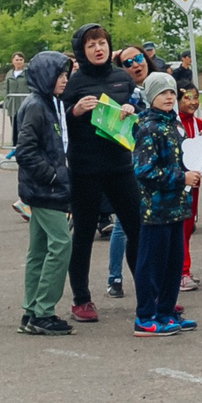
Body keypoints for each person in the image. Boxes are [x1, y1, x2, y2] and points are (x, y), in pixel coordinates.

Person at [56, 22, 142, 324]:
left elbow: (138, 109)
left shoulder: (121, 77)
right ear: (82, 49)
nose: (98, 48)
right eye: (91, 44)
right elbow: (59, 124)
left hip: (120, 165)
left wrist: (133, 110)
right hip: (85, 169)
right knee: (84, 234)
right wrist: (75, 111)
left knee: (138, 228)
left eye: (102, 42)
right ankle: (81, 299)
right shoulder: (74, 82)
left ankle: (149, 293)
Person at [12, 51, 76, 333]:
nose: (64, 80)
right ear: (45, 76)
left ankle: (32, 311)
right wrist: (52, 176)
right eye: (60, 75)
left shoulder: (49, 103)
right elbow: (25, 150)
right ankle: (43, 312)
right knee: (61, 245)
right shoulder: (38, 105)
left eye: (65, 75)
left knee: (38, 250)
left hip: (42, 190)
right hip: (45, 190)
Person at [130, 71, 197, 335]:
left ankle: (166, 312)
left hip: (177, 208)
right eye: (161, 93)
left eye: (171, 92)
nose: (168, 97)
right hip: (156, 210)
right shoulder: (148, 128)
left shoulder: (174, 125)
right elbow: (143, 171)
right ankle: (145, 316)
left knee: (173, 262)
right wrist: (182, 177)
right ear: (149, 97)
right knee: (151, 264)